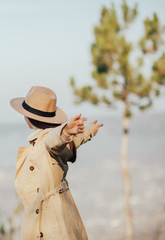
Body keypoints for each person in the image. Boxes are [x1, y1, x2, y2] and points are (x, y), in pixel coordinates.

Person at [10, 86, 103, 240]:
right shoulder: (50, 140)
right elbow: (72, 140)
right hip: (61, 215)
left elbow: (53, 140)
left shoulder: (46, 141)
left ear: (27, 117)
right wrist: (89, 130)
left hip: (48, 222)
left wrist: (65, 131)